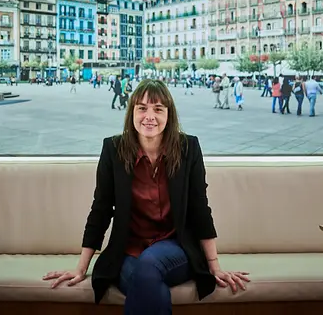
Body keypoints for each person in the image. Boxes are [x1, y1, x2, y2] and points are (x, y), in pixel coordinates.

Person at [42, 79, 250, 313]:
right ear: (131, 112)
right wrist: (81, 267)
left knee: (148, 266)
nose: (149, 116)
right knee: (147, 282)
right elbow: (100, 210)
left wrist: (214, 266)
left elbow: (199, 207)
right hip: (129, 250)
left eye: (158, 109)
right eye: (142, 108)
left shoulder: (188, 147)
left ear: (169, 114)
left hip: (176, 247)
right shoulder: (113, 150)